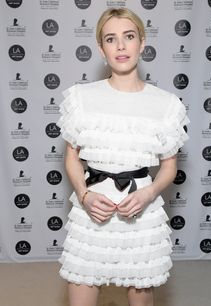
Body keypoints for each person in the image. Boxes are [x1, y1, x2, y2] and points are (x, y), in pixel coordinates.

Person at [57, 7, 189, 306]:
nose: (120, 46)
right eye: (110, 39)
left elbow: (169, 166)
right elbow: (72, 157)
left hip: (141, 212)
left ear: (142, 43)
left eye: (128, 37)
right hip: (91, 211)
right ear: (101, 48)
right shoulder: (80, 97)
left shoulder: (166, 104)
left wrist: (149, 193)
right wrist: (84, 195)